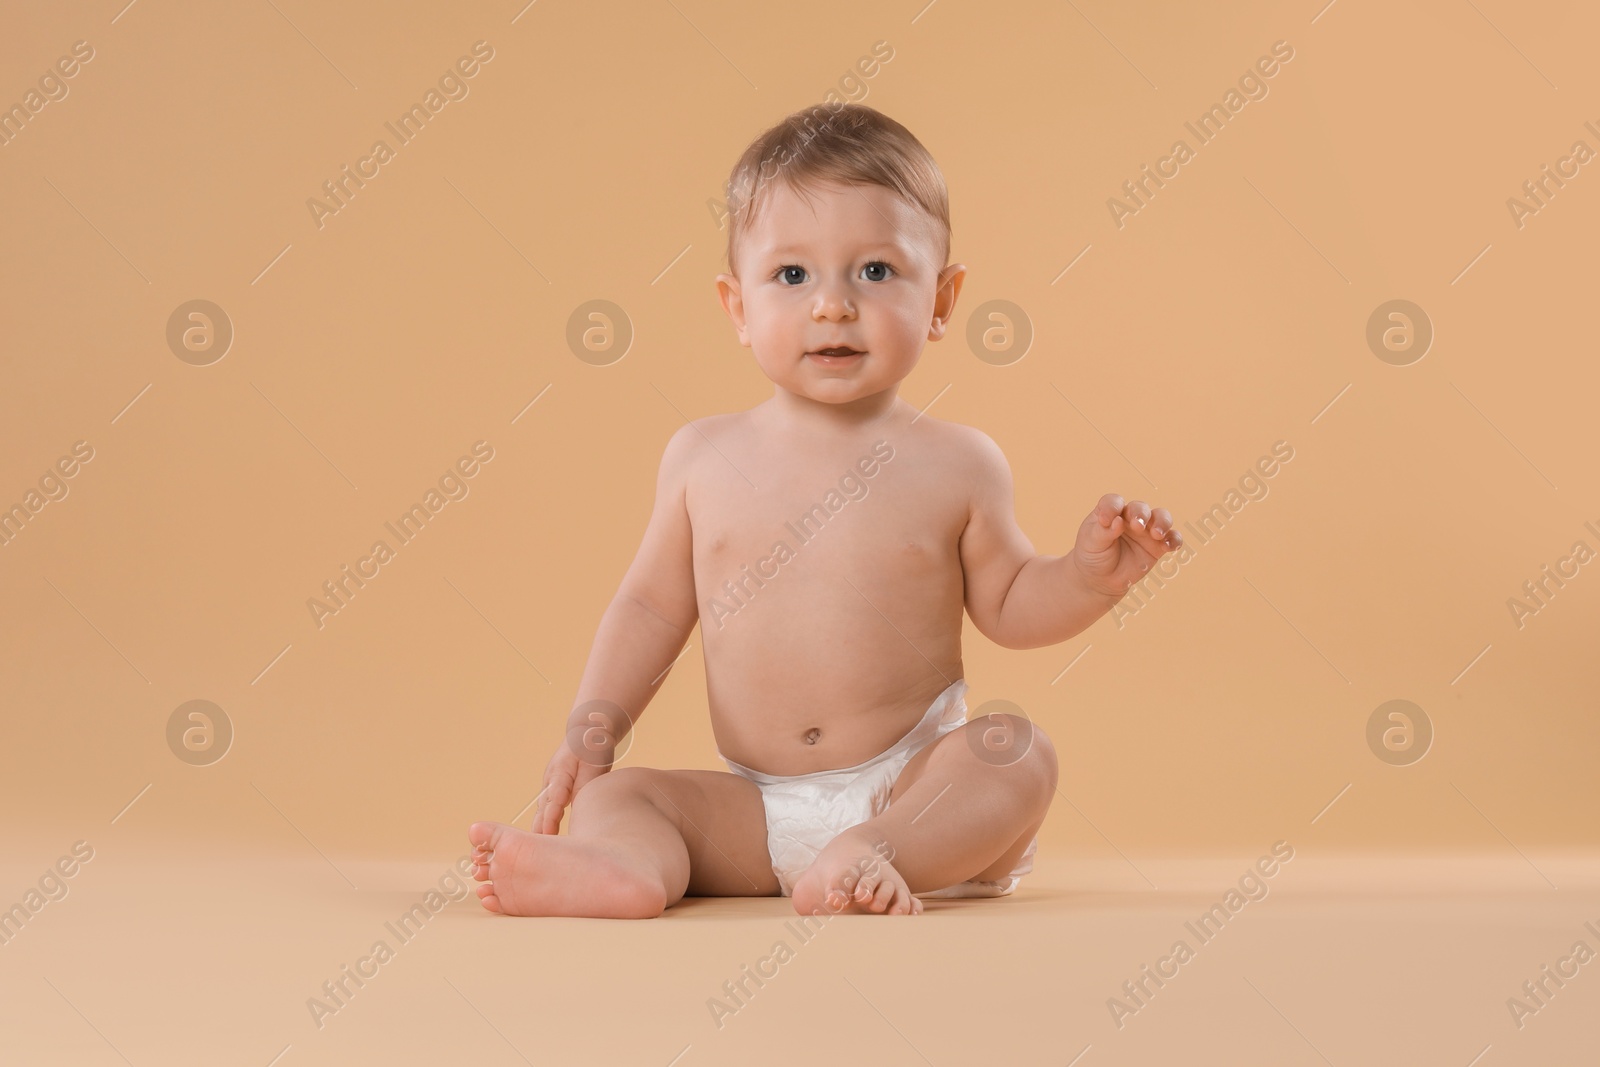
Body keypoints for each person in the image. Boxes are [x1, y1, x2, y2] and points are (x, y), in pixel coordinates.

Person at [469, 102, 1181, 918]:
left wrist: (1088, 578)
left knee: (1014, 750)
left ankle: (878, 852)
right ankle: (620, 867)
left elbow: (1012, 604)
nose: (832, 305)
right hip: (756, 808)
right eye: (792, 275)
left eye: (875, 272)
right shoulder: (701, 459)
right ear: (738, 307)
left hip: (914, 785)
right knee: (622, 795)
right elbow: (649, 608)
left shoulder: (959, 462)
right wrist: (591, 728)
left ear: (943, 299)